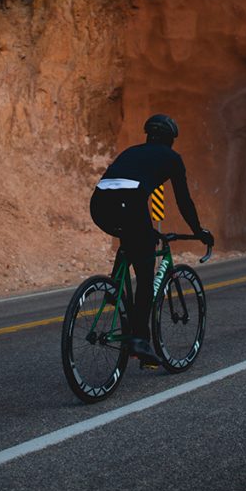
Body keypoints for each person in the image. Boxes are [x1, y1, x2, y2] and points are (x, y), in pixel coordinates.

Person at [90, 113, 214, 369]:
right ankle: (139, 340)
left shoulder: (131, 151)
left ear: (149, 135)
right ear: (170, 139)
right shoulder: (171, 158)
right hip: (130, 204)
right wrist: (198, 230)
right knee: (146, 279)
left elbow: (119, 186)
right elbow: (183, 201)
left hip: (99, 205)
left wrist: (146, 229)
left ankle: (114, 290)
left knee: (134, 235)